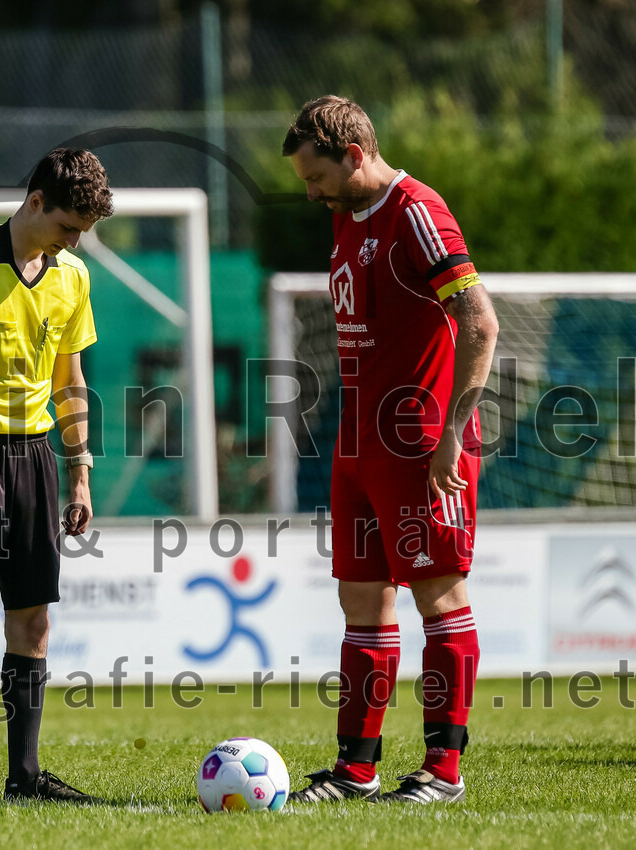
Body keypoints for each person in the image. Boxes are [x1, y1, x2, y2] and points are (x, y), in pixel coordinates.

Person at [282, 96, 498, 804]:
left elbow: (479, 322)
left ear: (353, 154)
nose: (311, 195)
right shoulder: (348, 216)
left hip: (420, 444)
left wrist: (454, 433)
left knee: (439, 597)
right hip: (359, 445)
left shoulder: (418, 211)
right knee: (362, 605)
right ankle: (357, 769)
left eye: (316, 178)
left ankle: (443, 771)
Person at [0, 148, 114, 806]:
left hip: (36, 459)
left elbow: (71, 382)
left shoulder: (73, 278)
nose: (74, 241)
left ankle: (25, 776)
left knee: (32, 625)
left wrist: (81, 473)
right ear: (36, 201)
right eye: (68, 226)